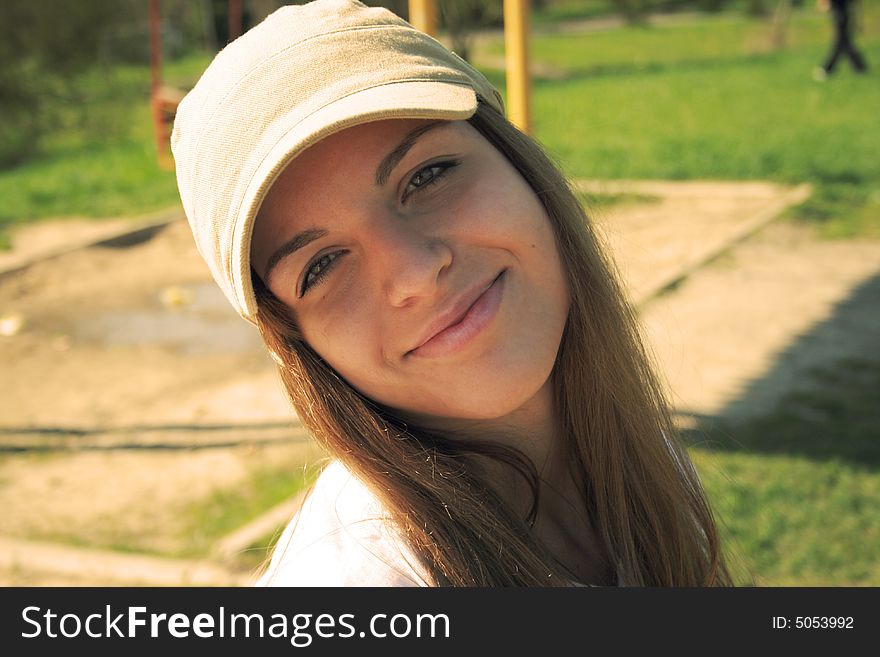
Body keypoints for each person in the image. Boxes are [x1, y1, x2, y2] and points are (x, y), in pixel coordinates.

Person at [172, 0, 733, 587]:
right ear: (297, 341)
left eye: (427, 175)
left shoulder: (639, 469)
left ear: (519, 164)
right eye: (322, 265)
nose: (413, 272)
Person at [815, 0, 868, 80]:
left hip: (841, 13)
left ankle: (828, 68)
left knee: (842, 41)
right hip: (841, 11)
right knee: (843, 42)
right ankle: (859, 66)